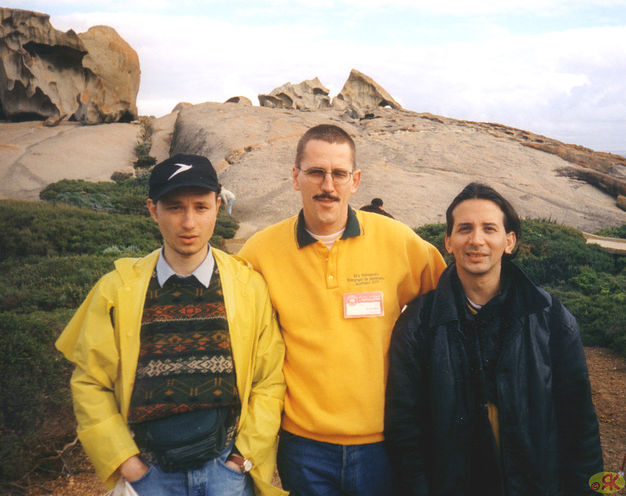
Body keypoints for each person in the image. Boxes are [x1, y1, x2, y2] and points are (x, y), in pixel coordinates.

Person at [56, 154, 287, 496]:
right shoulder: (115, 289)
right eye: (175, 207)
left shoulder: (248, 286)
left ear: (218, 206)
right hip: (150, 477)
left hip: (225, 472)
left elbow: (269, 379)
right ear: (153, 210)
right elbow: (90, 382)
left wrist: (241, 459)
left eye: (201, 207)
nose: (189, 222)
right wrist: (127, 463)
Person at [238, 124, 446, 496]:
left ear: (356, 180)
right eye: (316, 172)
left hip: (385, 443)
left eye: (339, 174)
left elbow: (449, 304)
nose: (327, 185)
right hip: (303, 447)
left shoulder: (399, 242)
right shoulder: (259, 252)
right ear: (295, 177)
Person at [384, 182, 603, 496]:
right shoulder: (419, 323)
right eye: (464, 229)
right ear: (448, 241)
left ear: (509, 241)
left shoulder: (550, 318)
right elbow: (404, 429)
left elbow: (579, 425)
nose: (476, 240)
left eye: (489, 228)